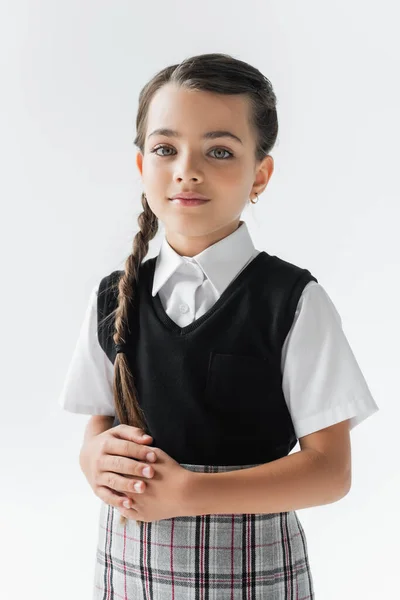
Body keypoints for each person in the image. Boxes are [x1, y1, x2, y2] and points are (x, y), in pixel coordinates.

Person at [58, 52, 379, 600]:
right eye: (165, 149)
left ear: (261, 174)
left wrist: (188, 493)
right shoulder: (113, 297)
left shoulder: (293, 301)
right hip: (128, 569)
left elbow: (330, 472)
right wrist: (93, 461)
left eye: (220, 150)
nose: (187, 168)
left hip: (252, 573)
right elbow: (100, 430)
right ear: (142, 168)